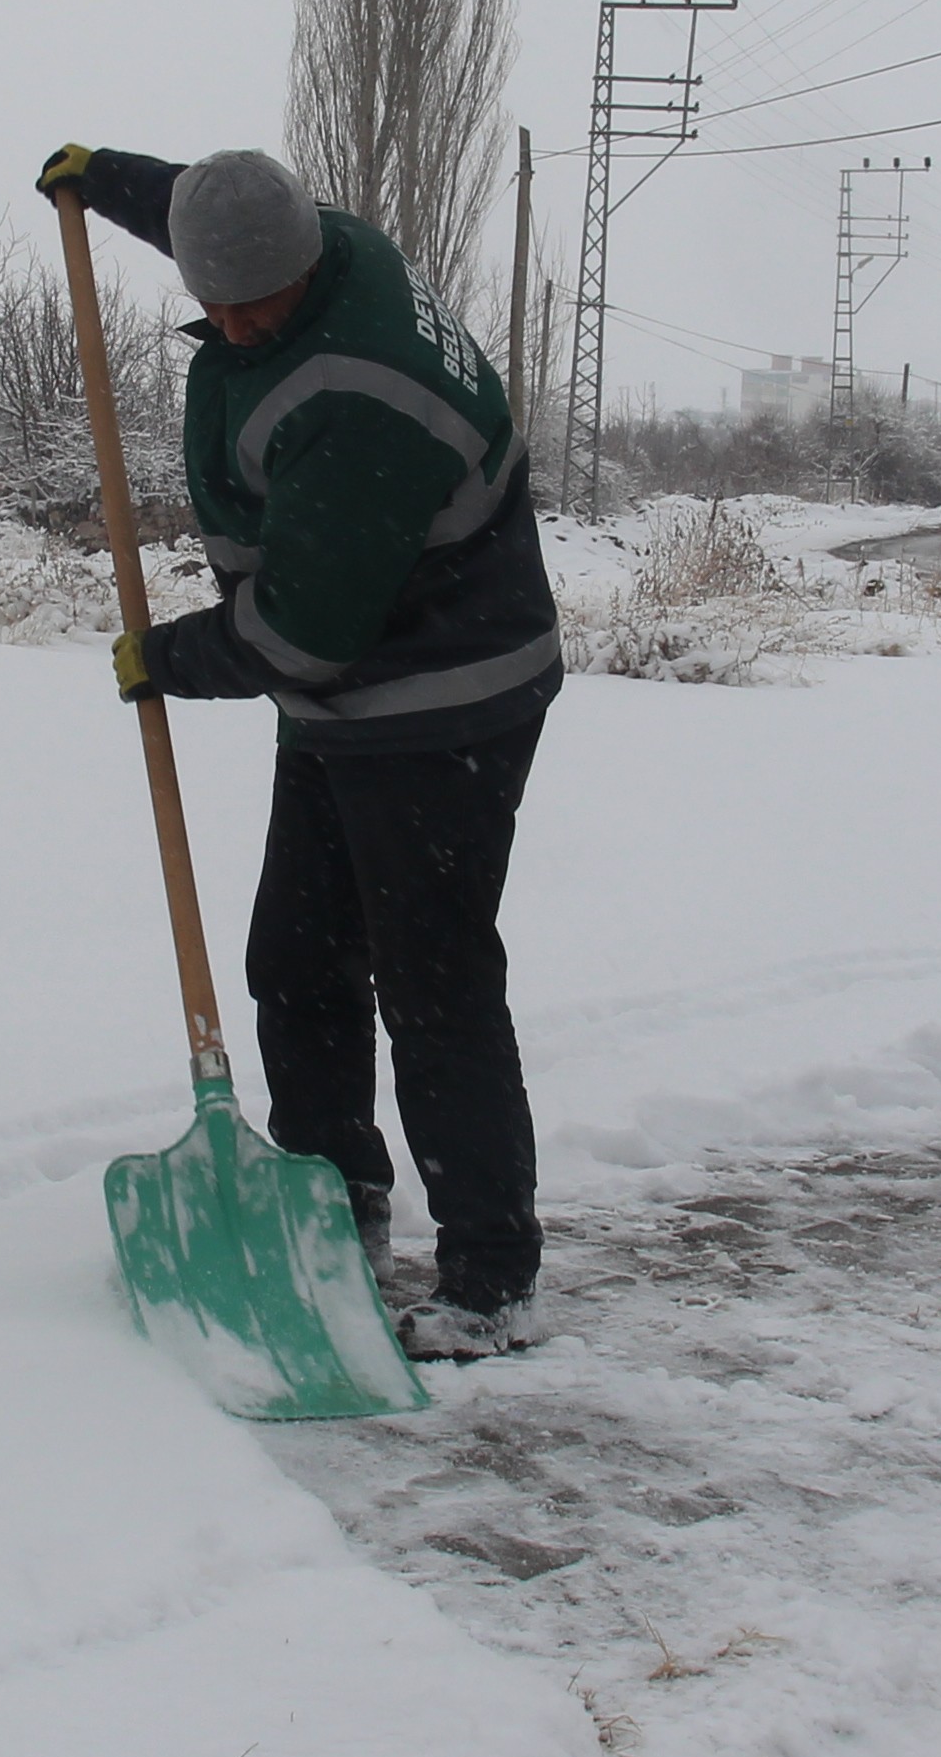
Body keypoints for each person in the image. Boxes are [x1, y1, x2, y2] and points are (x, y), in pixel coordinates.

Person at [38, 141, 563, 1358]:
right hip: (350, 701)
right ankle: (336, 1193)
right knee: (300, 955)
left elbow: (308, 631)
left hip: (443, 701)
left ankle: (493, 1276)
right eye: (211, 301)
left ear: (306, 269)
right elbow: (202, 213)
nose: (230, 322)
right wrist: (102, 176)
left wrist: (170, 660)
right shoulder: (303, 246)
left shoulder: (360, 392)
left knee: (434, 985)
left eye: (251, 303)